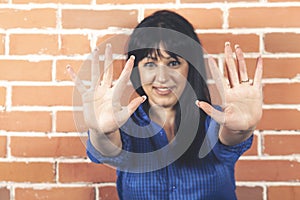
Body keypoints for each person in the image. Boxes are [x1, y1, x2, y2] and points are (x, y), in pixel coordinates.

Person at [67, 10, 263, 200]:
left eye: (173, 63)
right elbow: (108, 151)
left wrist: (241, 130)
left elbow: (231, 138)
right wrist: (101, 132)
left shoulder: (218, 121)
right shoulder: (125, 126)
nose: (162, 77)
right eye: (150, 64)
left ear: (190, 67)